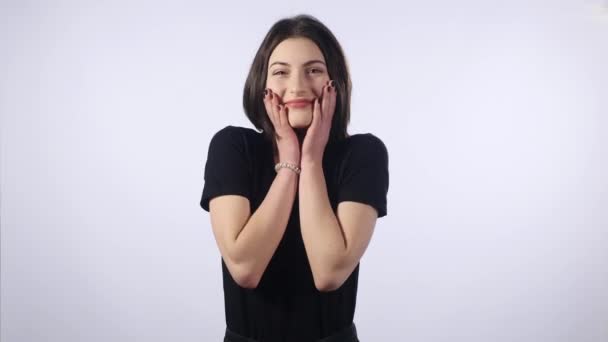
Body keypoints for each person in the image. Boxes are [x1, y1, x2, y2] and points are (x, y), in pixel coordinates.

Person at [200, 14, 389, 342]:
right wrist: (289, 163)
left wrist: (311, 159)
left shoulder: (363, 153)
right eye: (281, 72)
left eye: (314, 70)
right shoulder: (233, 147)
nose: (298, 86)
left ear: (335, 82)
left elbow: (328, 272)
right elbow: (245, 268)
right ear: (263, 85)